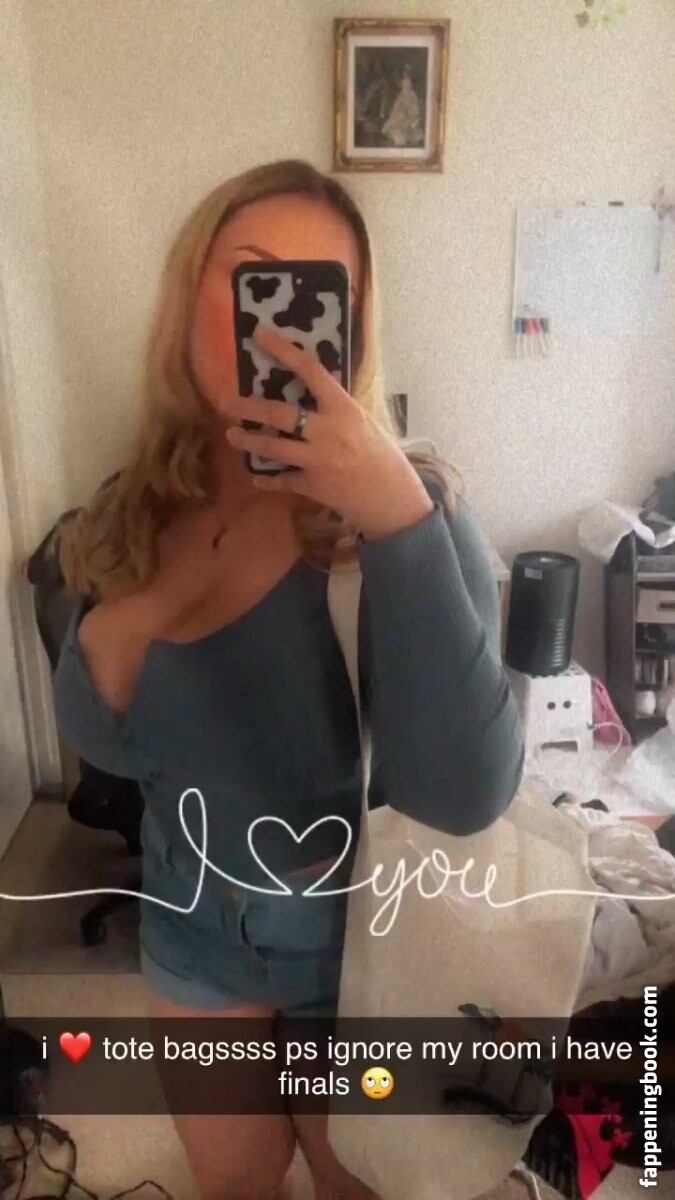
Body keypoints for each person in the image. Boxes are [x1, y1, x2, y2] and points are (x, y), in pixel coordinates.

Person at [52, 159, 524, 1200]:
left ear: (354, 329)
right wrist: (137, 611)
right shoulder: (136, 506)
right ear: (188, 305)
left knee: (359, 1183)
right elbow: (106, 745)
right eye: (255, 283)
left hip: (359, 950)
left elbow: (465, 793)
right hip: (191, 930)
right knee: (234, 1185)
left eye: (318, 297)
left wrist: (394, 517)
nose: (282, 332)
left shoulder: (408, 511)